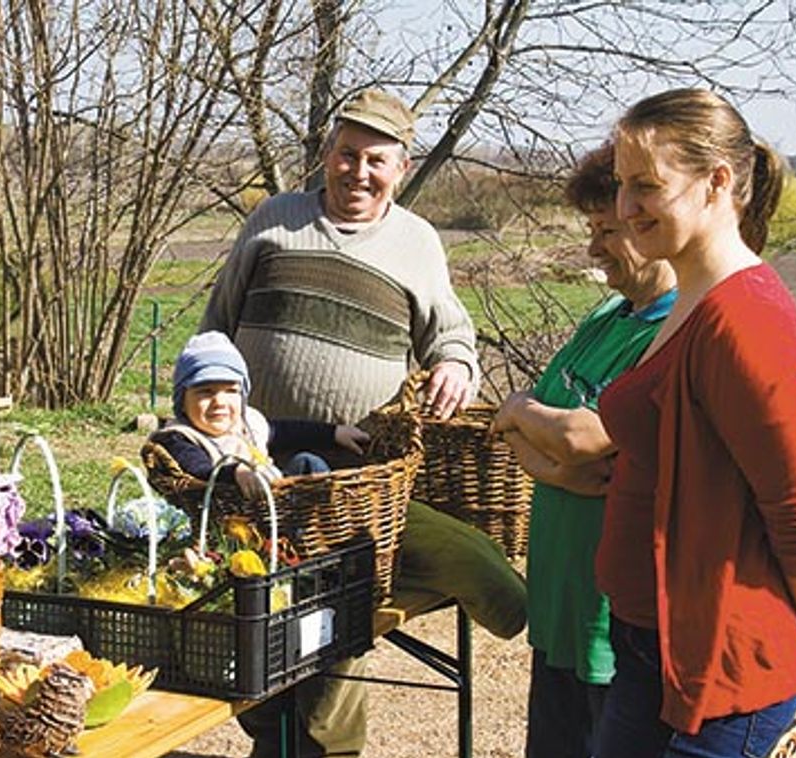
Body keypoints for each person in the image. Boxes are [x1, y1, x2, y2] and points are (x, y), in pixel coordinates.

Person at [202, 87, 526, 757]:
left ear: (400, 169)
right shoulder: (272, 220)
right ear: (326, 154)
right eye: (346, 154)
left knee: (329, 625)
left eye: (376, 160)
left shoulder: (415, 242)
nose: (358, 171)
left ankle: (318, 746)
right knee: (247, 627)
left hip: (355, 480)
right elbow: (214, 329)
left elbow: (452, 337)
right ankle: (279, 737)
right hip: (255, 469)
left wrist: (457, 368)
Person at [591, 87, 796, 757]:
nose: (625, 207)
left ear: (718, 182)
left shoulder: (746, 324)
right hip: (652, 645)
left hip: (721, 671)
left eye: (645, 186)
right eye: (620, 185)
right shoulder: (691, 295)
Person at [491, 143, 676, 758]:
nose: (594, 248)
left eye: (608, 230)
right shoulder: (607, 315)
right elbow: (534, 437)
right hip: (559, 604)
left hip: (607, 618)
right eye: (591, 229)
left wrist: (523, 413)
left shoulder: (666, 336)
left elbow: (577, 437)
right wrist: (555, 470)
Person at [149, 331, 371, 495]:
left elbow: (287, 432)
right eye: (205, 392)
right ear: (183, 401)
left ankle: (331, 512)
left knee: (307, 463)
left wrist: (334, 433)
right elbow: (197, 469)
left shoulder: (247, 424)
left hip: (280, 504)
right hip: (232, 515)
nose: (219, 402)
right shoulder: (179, 437)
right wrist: (236, 472)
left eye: (231, 391)